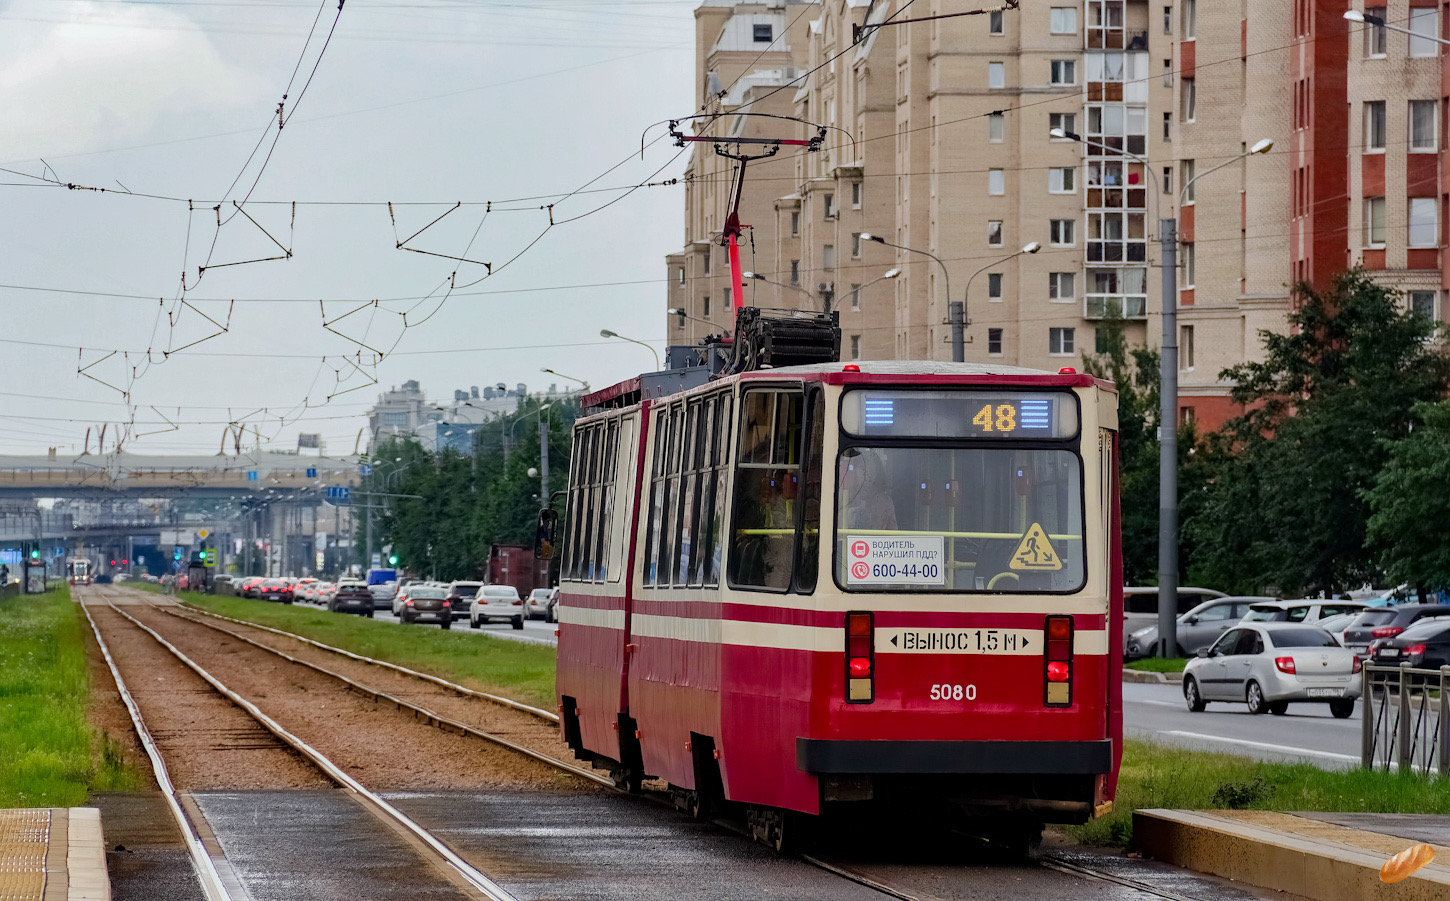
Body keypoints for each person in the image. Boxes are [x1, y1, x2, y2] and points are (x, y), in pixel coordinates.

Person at [838, 448, 898, 531]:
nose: (866, 473)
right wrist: (848, 518)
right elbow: (835, 528)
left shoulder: (885, 502)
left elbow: (892, 534)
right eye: (862, 468)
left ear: (877, 473)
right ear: (855, 471)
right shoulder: (845, 497)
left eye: (871, 469)